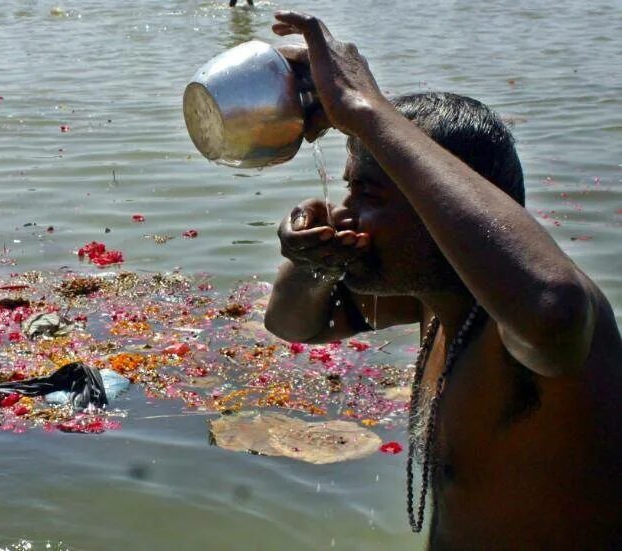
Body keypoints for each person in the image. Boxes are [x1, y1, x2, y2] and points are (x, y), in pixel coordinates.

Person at [263, 10, 621, 549]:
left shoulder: (531, 324)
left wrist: (366, 110)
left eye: (370, 195)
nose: (346, 214)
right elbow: (294, 323)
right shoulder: (440, 301)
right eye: (349, 192)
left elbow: (553, 310)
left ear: (443, 208)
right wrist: (316, 261)